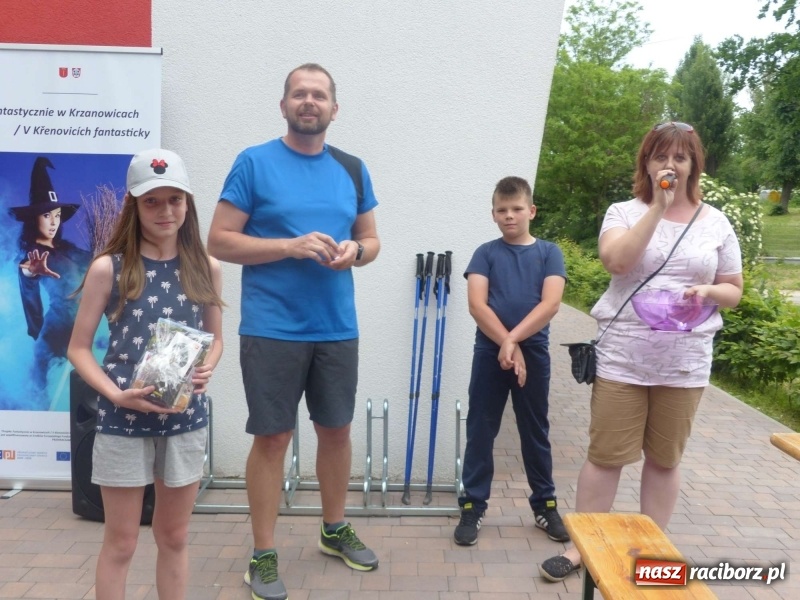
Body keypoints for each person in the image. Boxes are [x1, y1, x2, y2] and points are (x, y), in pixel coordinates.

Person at [539, 122, 743, 582]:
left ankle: (653, 551)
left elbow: (734, 291)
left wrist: (708, 290)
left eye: (680, 158)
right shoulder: (623, 212)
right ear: (647, 164)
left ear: (694, 166)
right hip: (625, 357)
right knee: (606, 455)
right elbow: (617, 262)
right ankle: (580, 546)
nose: (670, 165)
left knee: (665, 459)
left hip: (686, 362)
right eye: (660, 157)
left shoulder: (715, 221)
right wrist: (659, 208)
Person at [207, 63, 380, 600]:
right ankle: (262, 553)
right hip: (272, 328)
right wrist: (286, 246)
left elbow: (372, 240)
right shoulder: (254, 163)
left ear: (334, 108)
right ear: (283, 105)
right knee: (273, 437)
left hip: (336, 327)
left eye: (320, 95)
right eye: (299, 94)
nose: (310, 102)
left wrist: (355, 252)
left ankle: (333, 529)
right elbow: (218, 240)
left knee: (337, 431)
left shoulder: (352, 168)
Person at [67, 148, 224, 600]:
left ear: (188, 204)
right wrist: (115, 396)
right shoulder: (108, 268)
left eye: (175, 199)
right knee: (121, 542)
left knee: (173, 537)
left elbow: (215, 339)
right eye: (152, 200)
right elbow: (78, 348)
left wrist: (207, 367)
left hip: (184, 423)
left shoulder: (206, 268)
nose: (165, 210)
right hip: (122, 423)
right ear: (133, 205)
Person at [454, 176, 569, 547]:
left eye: (517, 209)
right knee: (481, 428)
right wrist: (505, 342)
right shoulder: (485, 253)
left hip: (532, 353)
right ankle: (472, 505)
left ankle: (545, 504)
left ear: (531, 211)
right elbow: (477, 305)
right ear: (493, 215)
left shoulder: (549, 253)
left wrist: (515, 340)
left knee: (534, 428)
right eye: (502, 210)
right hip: (490, 352)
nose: (509, 216)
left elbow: (550, 304)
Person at [10, 156, 91, 407]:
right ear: (35, 219)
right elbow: (28, 279)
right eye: (47, 215)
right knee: (44, 403)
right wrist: (31, 273)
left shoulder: (72, 251)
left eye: (57, 215)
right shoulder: (32, 257)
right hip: (55, 339)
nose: (54, 221)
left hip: (85, 337)